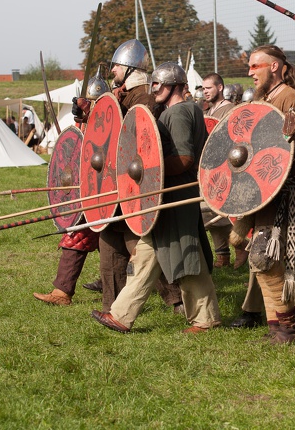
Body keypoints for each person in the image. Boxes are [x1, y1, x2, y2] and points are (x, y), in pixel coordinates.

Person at [92, 62, 221, 333]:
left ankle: (205, 319)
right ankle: (121, 314)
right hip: (165, 195)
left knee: (187, 254)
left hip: (173, 193)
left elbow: (184, 158)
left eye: (160, 85)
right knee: (147, 254)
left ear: (175, 86)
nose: (155, 90)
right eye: (154, 85)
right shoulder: (189, 110)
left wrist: (151, 171)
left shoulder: (179, 113)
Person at [84, 39, 183, 316]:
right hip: (112, 183)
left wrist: (113, 107)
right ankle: (112, 307)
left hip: (131, 182)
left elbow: (137, 134)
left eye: (116, 66)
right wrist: (89, 114)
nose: (112, 70)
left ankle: (177, 299)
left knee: (139, 248)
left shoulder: (144, 97)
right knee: (109, 245)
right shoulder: (121, 95)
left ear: (128, 68)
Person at [228, 45, 295, 343]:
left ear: (274, 67)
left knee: (268, 257)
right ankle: (277, 326)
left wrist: (288, 150)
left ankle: (290, 328)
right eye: (250, 67)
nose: (250, 72)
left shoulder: (288, 97)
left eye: (255, 66)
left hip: (284, 190)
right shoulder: (264, 99)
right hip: (263, 191)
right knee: (261, 261)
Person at [32, 69, 109, 306]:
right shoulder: (85, 123)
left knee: (134, 249)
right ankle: (63, 292)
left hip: (105, 190)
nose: (86, 106)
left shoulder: (109, 121)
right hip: (88, 193)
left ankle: (176, 298)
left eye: (90, 103)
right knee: (78, 235)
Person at [199, 72, 247, 269]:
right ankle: (222, 255)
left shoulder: (229, 111)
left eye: (208, 88)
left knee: (226, 213)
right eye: (203, 89)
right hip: (211, 170)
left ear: (220, 88)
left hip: (227, 170)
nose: (205, 92)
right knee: (210, 212)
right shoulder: (210, 111)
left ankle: (242, 248)